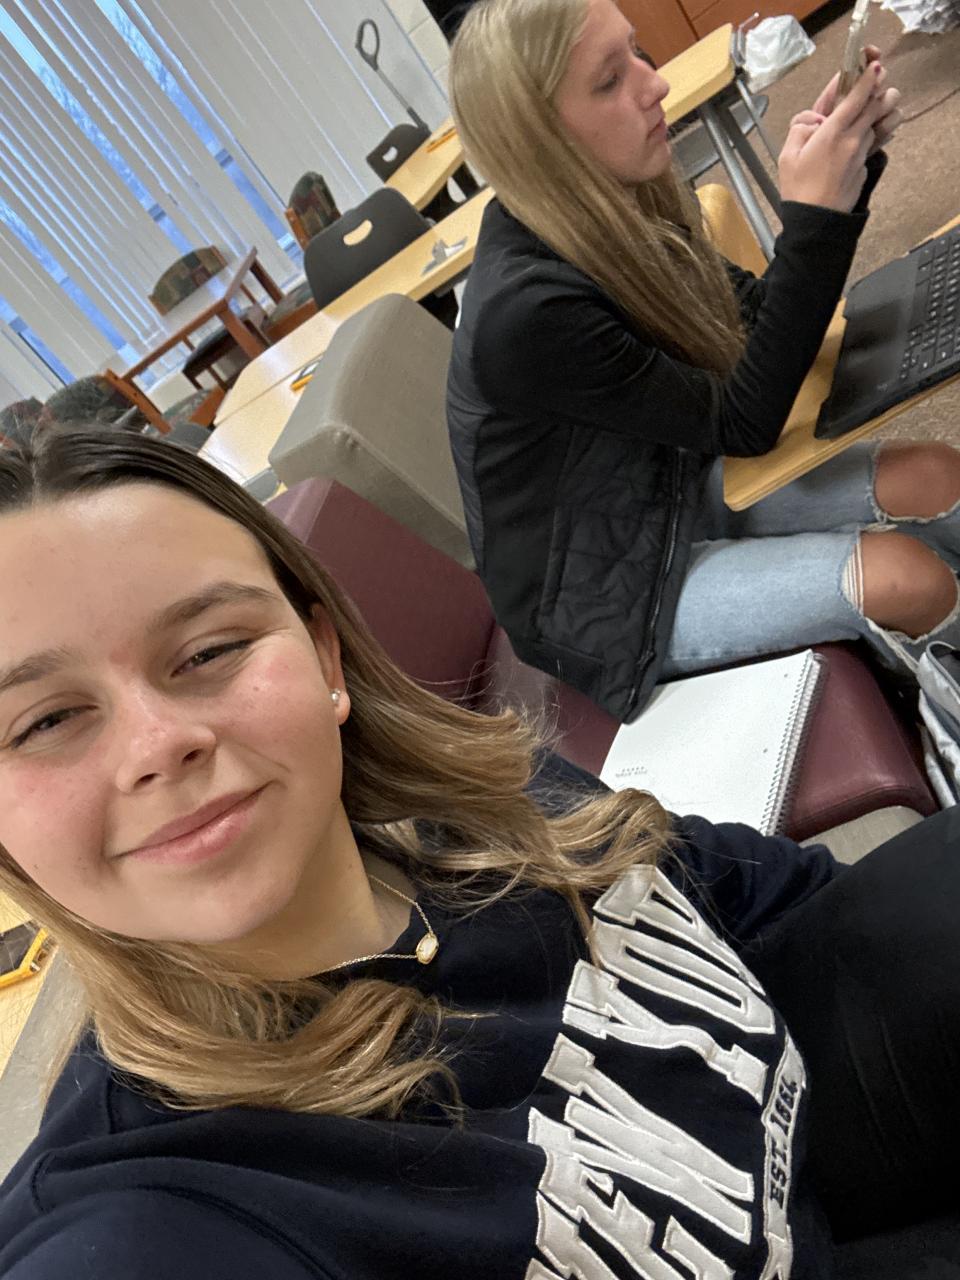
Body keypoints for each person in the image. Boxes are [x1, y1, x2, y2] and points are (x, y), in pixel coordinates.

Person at [0, 426, 959, 1280]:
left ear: (324, 657)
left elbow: (766, 897)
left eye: (210, 650)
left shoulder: (491, 800)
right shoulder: (157, 1210)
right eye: (45, 720)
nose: (161, 742)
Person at [446, 0, 960, 723]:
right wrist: (814, 221)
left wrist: (842, 182)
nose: (653, 84)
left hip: (669, 480)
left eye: (635, 53)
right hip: (606, 600)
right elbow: (746, 421)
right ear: (539, 139)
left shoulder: (620, 194)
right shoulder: (526, 314)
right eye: (609, 80)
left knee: (937, 475)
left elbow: (751, 323)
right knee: (905, 580)